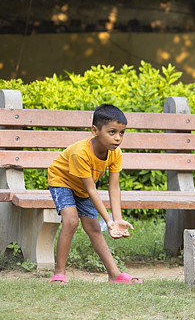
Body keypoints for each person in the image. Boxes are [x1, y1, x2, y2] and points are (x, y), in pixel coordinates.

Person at [47, 104, 138, 284]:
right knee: (71, 221)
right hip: (62, 182)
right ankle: (59, 272)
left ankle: (114, 274)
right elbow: (91, 190)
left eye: (121, 133)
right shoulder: (80, 153)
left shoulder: (115, 153)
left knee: (94, 228)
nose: (118, 138)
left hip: (82, 187)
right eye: (112, 132)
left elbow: (114, 188)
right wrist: (108, 221)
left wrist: (116, 219)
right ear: (95, 130)